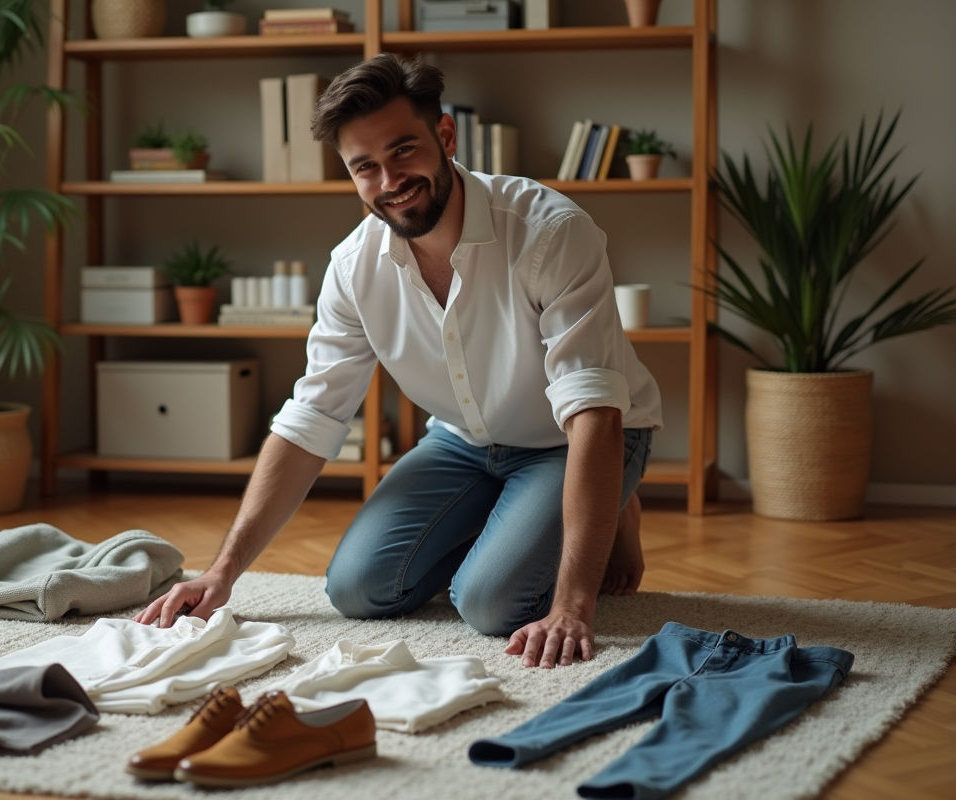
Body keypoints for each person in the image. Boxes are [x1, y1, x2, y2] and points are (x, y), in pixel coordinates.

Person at [135, 54, 662, 669]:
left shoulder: (550, 231)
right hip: (463, 441)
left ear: (444, 136)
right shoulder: (353, 268)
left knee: (490, 602)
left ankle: (609, 501)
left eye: (403, 151)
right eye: (365, 167)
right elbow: (311, 417)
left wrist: (573, 602)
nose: (389, 181)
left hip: (574, 439)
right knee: (357, 590)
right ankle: (529, 514)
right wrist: (221, 573)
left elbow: (594, 409)